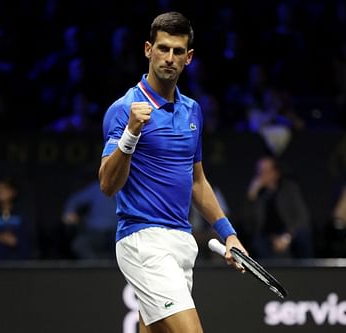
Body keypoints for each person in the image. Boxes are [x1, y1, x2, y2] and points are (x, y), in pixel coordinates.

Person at [98, 12, 246, 333]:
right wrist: (131, 134)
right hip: (143, 241)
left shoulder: (193, 110)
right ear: (148, 49)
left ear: (188, 58)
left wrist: (229, 234)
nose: (169, 58)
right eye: (163, 49)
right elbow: (108, 184)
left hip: (182, 241)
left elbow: (197, 182)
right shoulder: (125, 109)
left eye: (178, 51)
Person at [246, 156, 313, 259]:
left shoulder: (289, 189)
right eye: (259, 172)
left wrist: (287, 236)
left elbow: (302, 217)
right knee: (257, 243)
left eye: (265, 171)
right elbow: (250, 224)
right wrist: (252, 196)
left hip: (289, 233)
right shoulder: (258, 195)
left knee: (303, 236)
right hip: (267, 236)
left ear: (275, 173)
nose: (261, 175)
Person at [62, 180, 117, 259]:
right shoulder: (98, 188)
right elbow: (75, 199)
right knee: (79, 245)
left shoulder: (127, 188)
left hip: (118, 232)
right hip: (96, 231)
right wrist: (70, 212)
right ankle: (96, 268)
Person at [0, 177, 34, 260]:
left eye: (3, 189)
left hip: (19, 262)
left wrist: (15, 240)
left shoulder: (21, 215)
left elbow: (28, 237)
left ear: (12, 192)